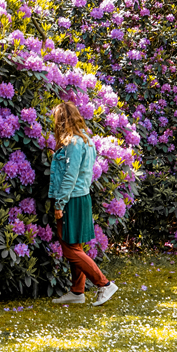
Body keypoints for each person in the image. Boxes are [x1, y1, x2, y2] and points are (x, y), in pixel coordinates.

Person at [47, 101, 118, 306]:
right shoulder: (85, 140)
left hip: (72, 199)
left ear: (63, 120)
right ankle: (77, 292)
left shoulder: (75, 143)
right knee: (75, 245)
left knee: (69, 248)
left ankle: (103, 284)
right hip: (80, 196)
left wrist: (60, 203)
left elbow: (71, 175)